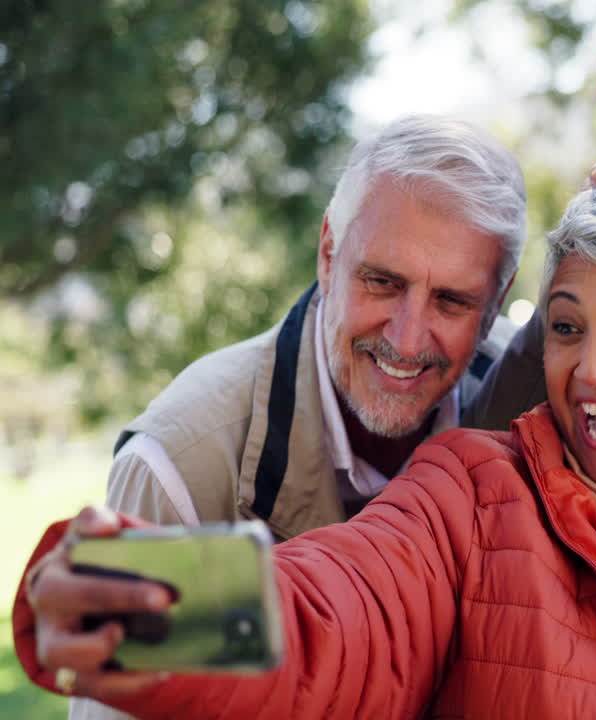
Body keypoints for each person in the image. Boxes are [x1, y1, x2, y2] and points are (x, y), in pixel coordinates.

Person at [16, 181, 596, 719]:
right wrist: (135, 600)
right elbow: (339, 610)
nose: (591, 368)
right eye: (567, 328)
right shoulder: (474, 495)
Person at [68, 115, 526, 720]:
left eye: (452, 301)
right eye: (382, 282)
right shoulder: (179, 468)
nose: (408, 339)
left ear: (495, 304)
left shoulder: (532, 412)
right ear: (328, 254)